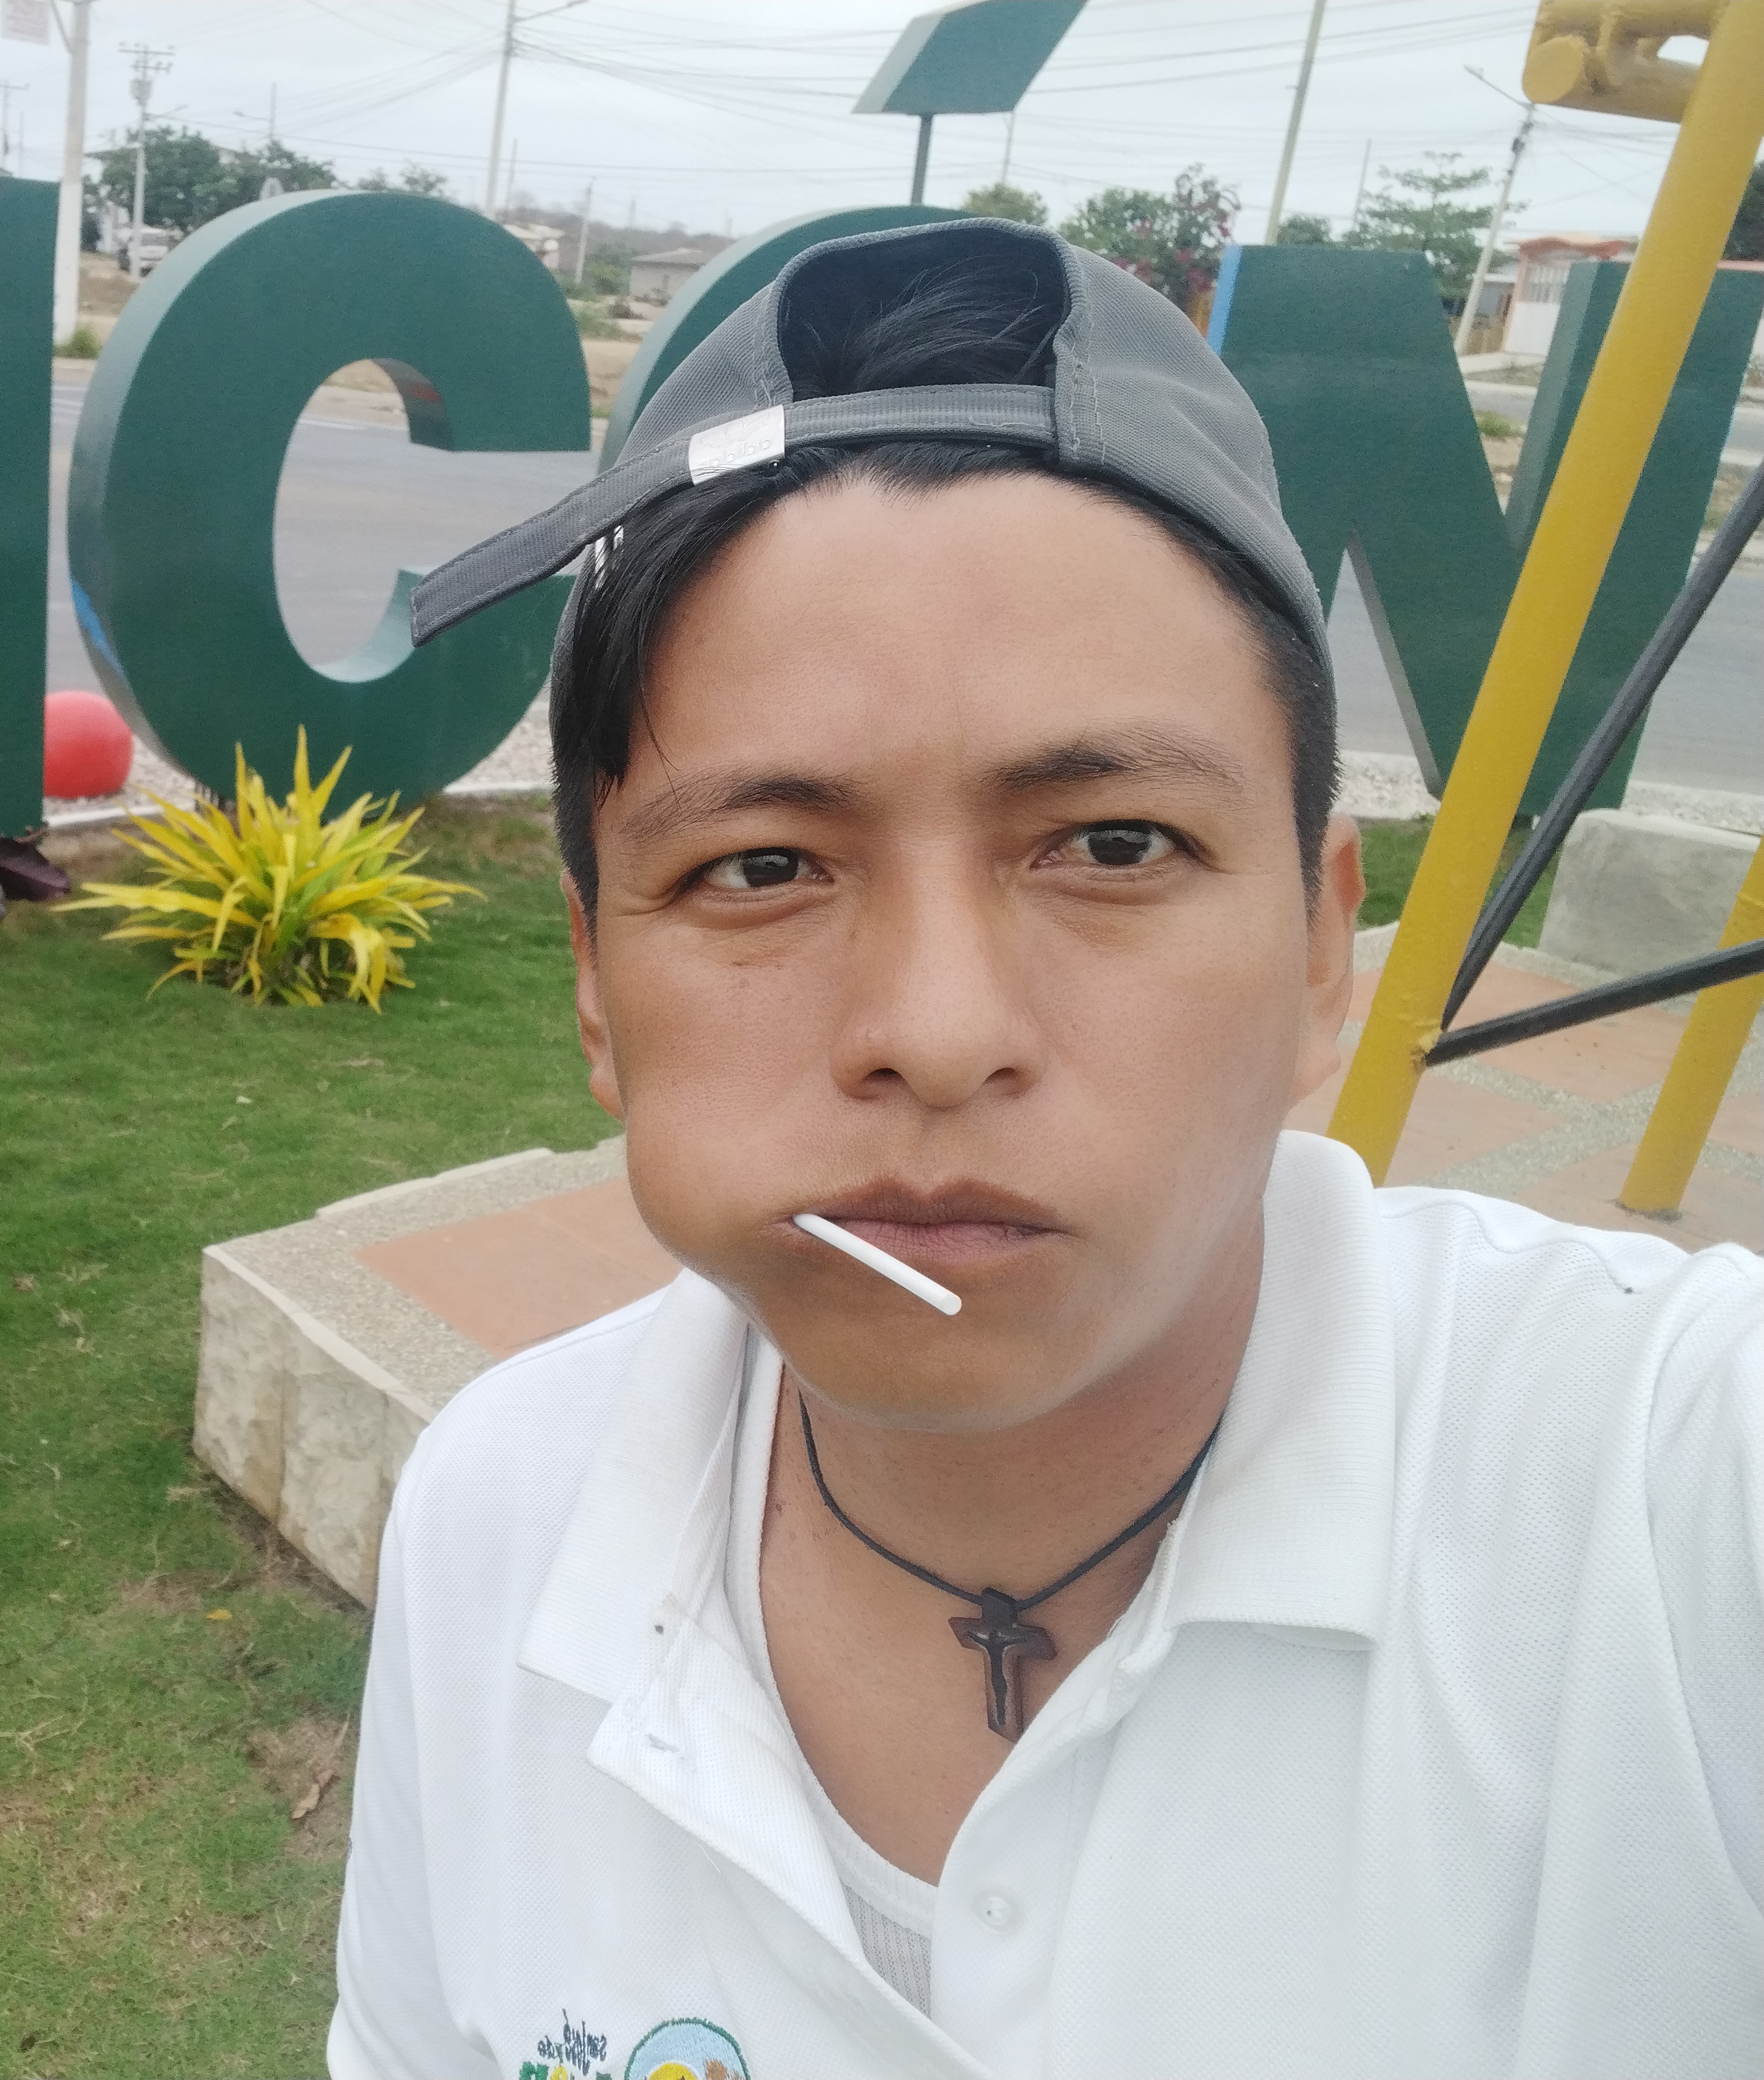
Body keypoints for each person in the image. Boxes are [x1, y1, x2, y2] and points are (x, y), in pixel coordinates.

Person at [326, 219, 1761, 2080]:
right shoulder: (496, 1513)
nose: (937, 1030)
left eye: (1114, 846)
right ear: (597, 986)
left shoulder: (1677, 1505)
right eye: (762, 867)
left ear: (1322, 954)